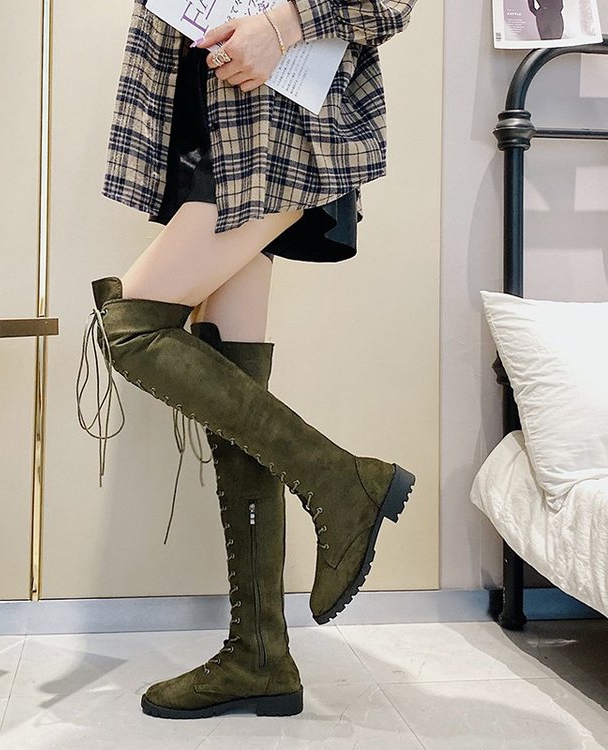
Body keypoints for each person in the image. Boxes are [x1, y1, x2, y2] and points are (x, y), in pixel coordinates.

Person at [76, 0, 418, 720]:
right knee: (231, 377)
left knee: (131, 328)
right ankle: (259, 652)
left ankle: (343, 482)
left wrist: (282, 26)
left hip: (277, 124)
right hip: (211, 121)